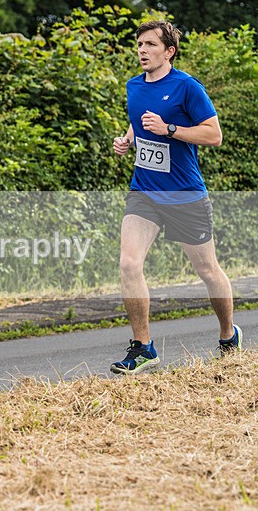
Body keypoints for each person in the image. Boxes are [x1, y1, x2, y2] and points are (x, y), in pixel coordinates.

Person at [110, 20, 241, 375]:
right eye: (139, 44)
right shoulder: (133, 86)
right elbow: (139, 123)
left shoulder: (187, 87)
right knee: (128, 264)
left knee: (208, 271)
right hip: (145, 192)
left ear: (169, 51)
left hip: (185, 195)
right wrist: (129, 141)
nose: (142, 50)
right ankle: (143, 347)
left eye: (151, 44)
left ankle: (229, 335)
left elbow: (214, 135)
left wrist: (170, 129)